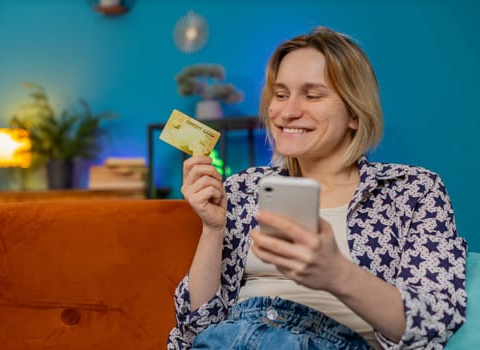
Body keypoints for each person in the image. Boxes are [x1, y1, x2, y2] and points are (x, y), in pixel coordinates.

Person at [167, 26, 467, 349]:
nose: (288, 111)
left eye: (312, 95)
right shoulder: (242, 188)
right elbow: (197, 327)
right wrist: (213, 230)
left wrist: (337, 274)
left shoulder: (412, 191)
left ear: (354, 112)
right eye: (280, 95)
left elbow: (434, 321)